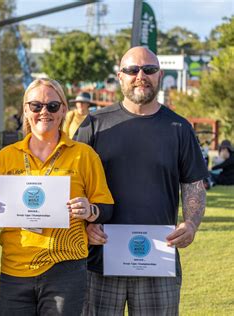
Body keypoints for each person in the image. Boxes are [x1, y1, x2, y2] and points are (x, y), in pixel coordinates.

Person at [75, 46, 208, 315]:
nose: (141, 76)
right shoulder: (94, 124)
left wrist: (191, 224)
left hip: (159, 257)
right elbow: (72, 183)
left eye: (149, 70)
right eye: (132, 70)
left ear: (159, 75)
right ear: (120, 76)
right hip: (99, 258)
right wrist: (83, 227)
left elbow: (194, 184)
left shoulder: (179, 128)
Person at [0, 78, 114, 315]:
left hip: (65, 268)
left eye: (52, 106)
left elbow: (105, 205)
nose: (44, 112)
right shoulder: (6, 156)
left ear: (64, 109)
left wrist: (90, 211)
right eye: (36, 106)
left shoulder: (84, 155)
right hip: (15, 268)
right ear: (25, 110)